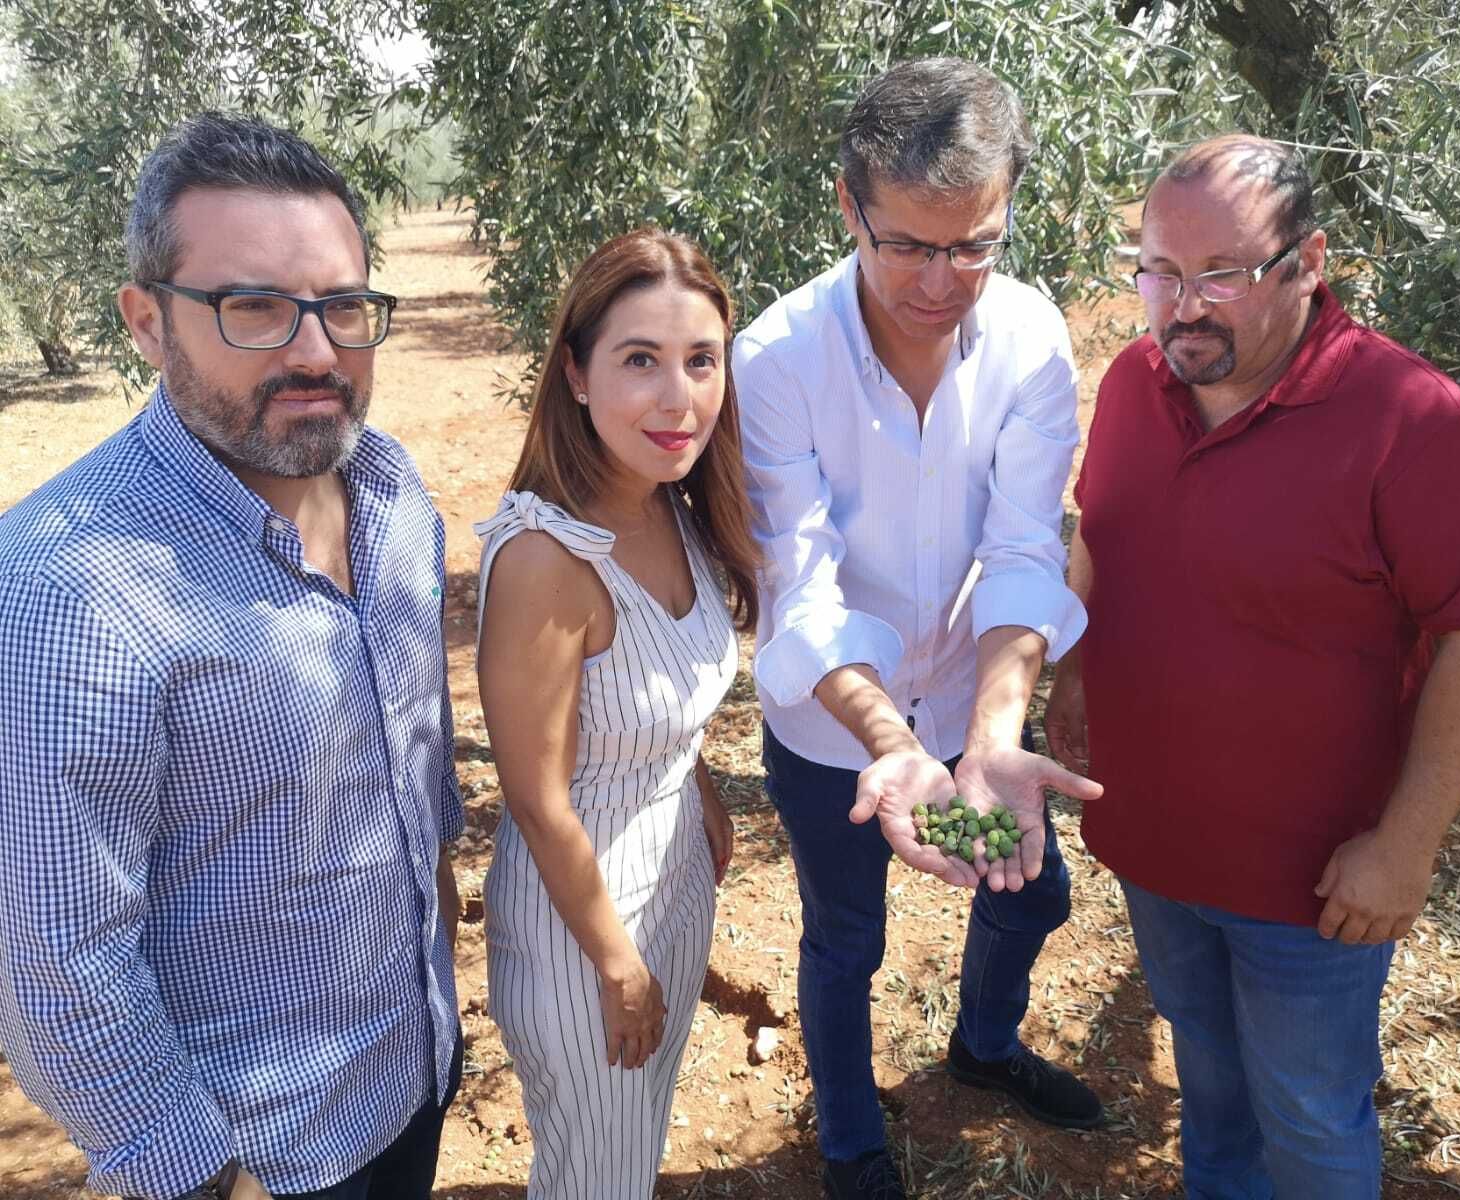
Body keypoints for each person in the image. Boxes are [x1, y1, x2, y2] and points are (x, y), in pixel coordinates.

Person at [1045, 134, 1460, 1199]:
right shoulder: (1135, 384)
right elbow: (1106, 537)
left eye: (1220, 273)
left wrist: (1405, 847)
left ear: (1308, 262)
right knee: (1211, 1093)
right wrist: (1072, 673)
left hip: (1314, 887)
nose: (1181, 307)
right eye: (1157, 271)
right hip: (1155, 846)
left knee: (1311, 1120)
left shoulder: (1412, 422)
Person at [0, 114, 463, 1200]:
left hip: (409, 1070)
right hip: (264, 1160)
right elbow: (61, 963)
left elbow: (418, 778)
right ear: (148, 323)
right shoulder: (69, 588)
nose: (315, 350)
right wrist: (206, 1179)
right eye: (251, 305)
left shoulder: (394, 498)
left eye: (343, 305)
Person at [734, 57, 1106, 1200]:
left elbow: (1023, 549)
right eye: (907, 245)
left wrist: (989, 735)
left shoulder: (1033, 338)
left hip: (965, 714)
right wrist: (892, 745)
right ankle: (848, 1136)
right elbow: (799, 586)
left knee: (1030, 892)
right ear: (849, 205)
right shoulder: (775, 359)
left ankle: (981, 1049)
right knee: (847, 942)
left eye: (974, 245)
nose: (943, 281)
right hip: (839, 737)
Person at [473, 228, 759, 1199]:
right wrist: (615, 963)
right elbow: (538, 799)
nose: (678, 398)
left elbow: (658, 693)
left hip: (673, 882)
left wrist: (702, 783)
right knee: (592, 1177)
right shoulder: (548, 561)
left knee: (627, 1157)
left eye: (700, 361)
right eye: (640, 360)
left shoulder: (671, 502)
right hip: (582, 934)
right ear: (577, 375)